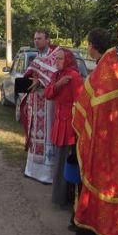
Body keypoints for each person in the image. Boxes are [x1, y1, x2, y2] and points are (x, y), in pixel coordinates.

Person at [72, 28, 118, 235]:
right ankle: (100, 222)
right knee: (107, 180)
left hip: (101, 136)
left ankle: (96, 226)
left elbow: (85, 104)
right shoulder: (111, 67)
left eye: (88, 44)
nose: (87, 47)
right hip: (111, 134)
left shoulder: (103, 73)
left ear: (92, 45)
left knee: (98, 178)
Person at [44, 48, 83, 208]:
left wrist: (77, 128)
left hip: (70, 127)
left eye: (60, 59)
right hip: (59, 124)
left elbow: (79, 104)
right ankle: (61, 199)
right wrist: (58, 84)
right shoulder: (57, 75)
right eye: (56, 58)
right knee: (59, 164)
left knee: (67, 164)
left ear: (67, 60)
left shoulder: (74, 77)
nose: (56, 61)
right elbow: (48, 94)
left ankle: (68, 200)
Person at [20, 30, 58, 184]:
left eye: (40, 39)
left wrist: (41, 81)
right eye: (35, 38)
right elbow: (29, 76)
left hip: (49, 103)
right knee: (35, 134)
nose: (36, 41)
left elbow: (56, 76)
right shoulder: (36, 58)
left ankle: (47, 174)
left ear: (47, 40)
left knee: (48, 134)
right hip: (36, 102)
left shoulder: (55, 56)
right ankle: (32, 171)